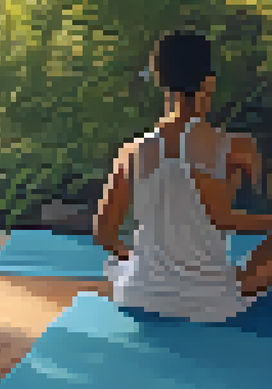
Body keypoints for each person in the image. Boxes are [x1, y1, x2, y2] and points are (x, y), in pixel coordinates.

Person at [96, 30, 272, 322]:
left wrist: (139, 262)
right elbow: (227, 218)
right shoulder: (235, 147)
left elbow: (104, 232)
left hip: (138, 292)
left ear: (160, 81)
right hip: (208, 301)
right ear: (209, 83)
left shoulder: (131, 151)